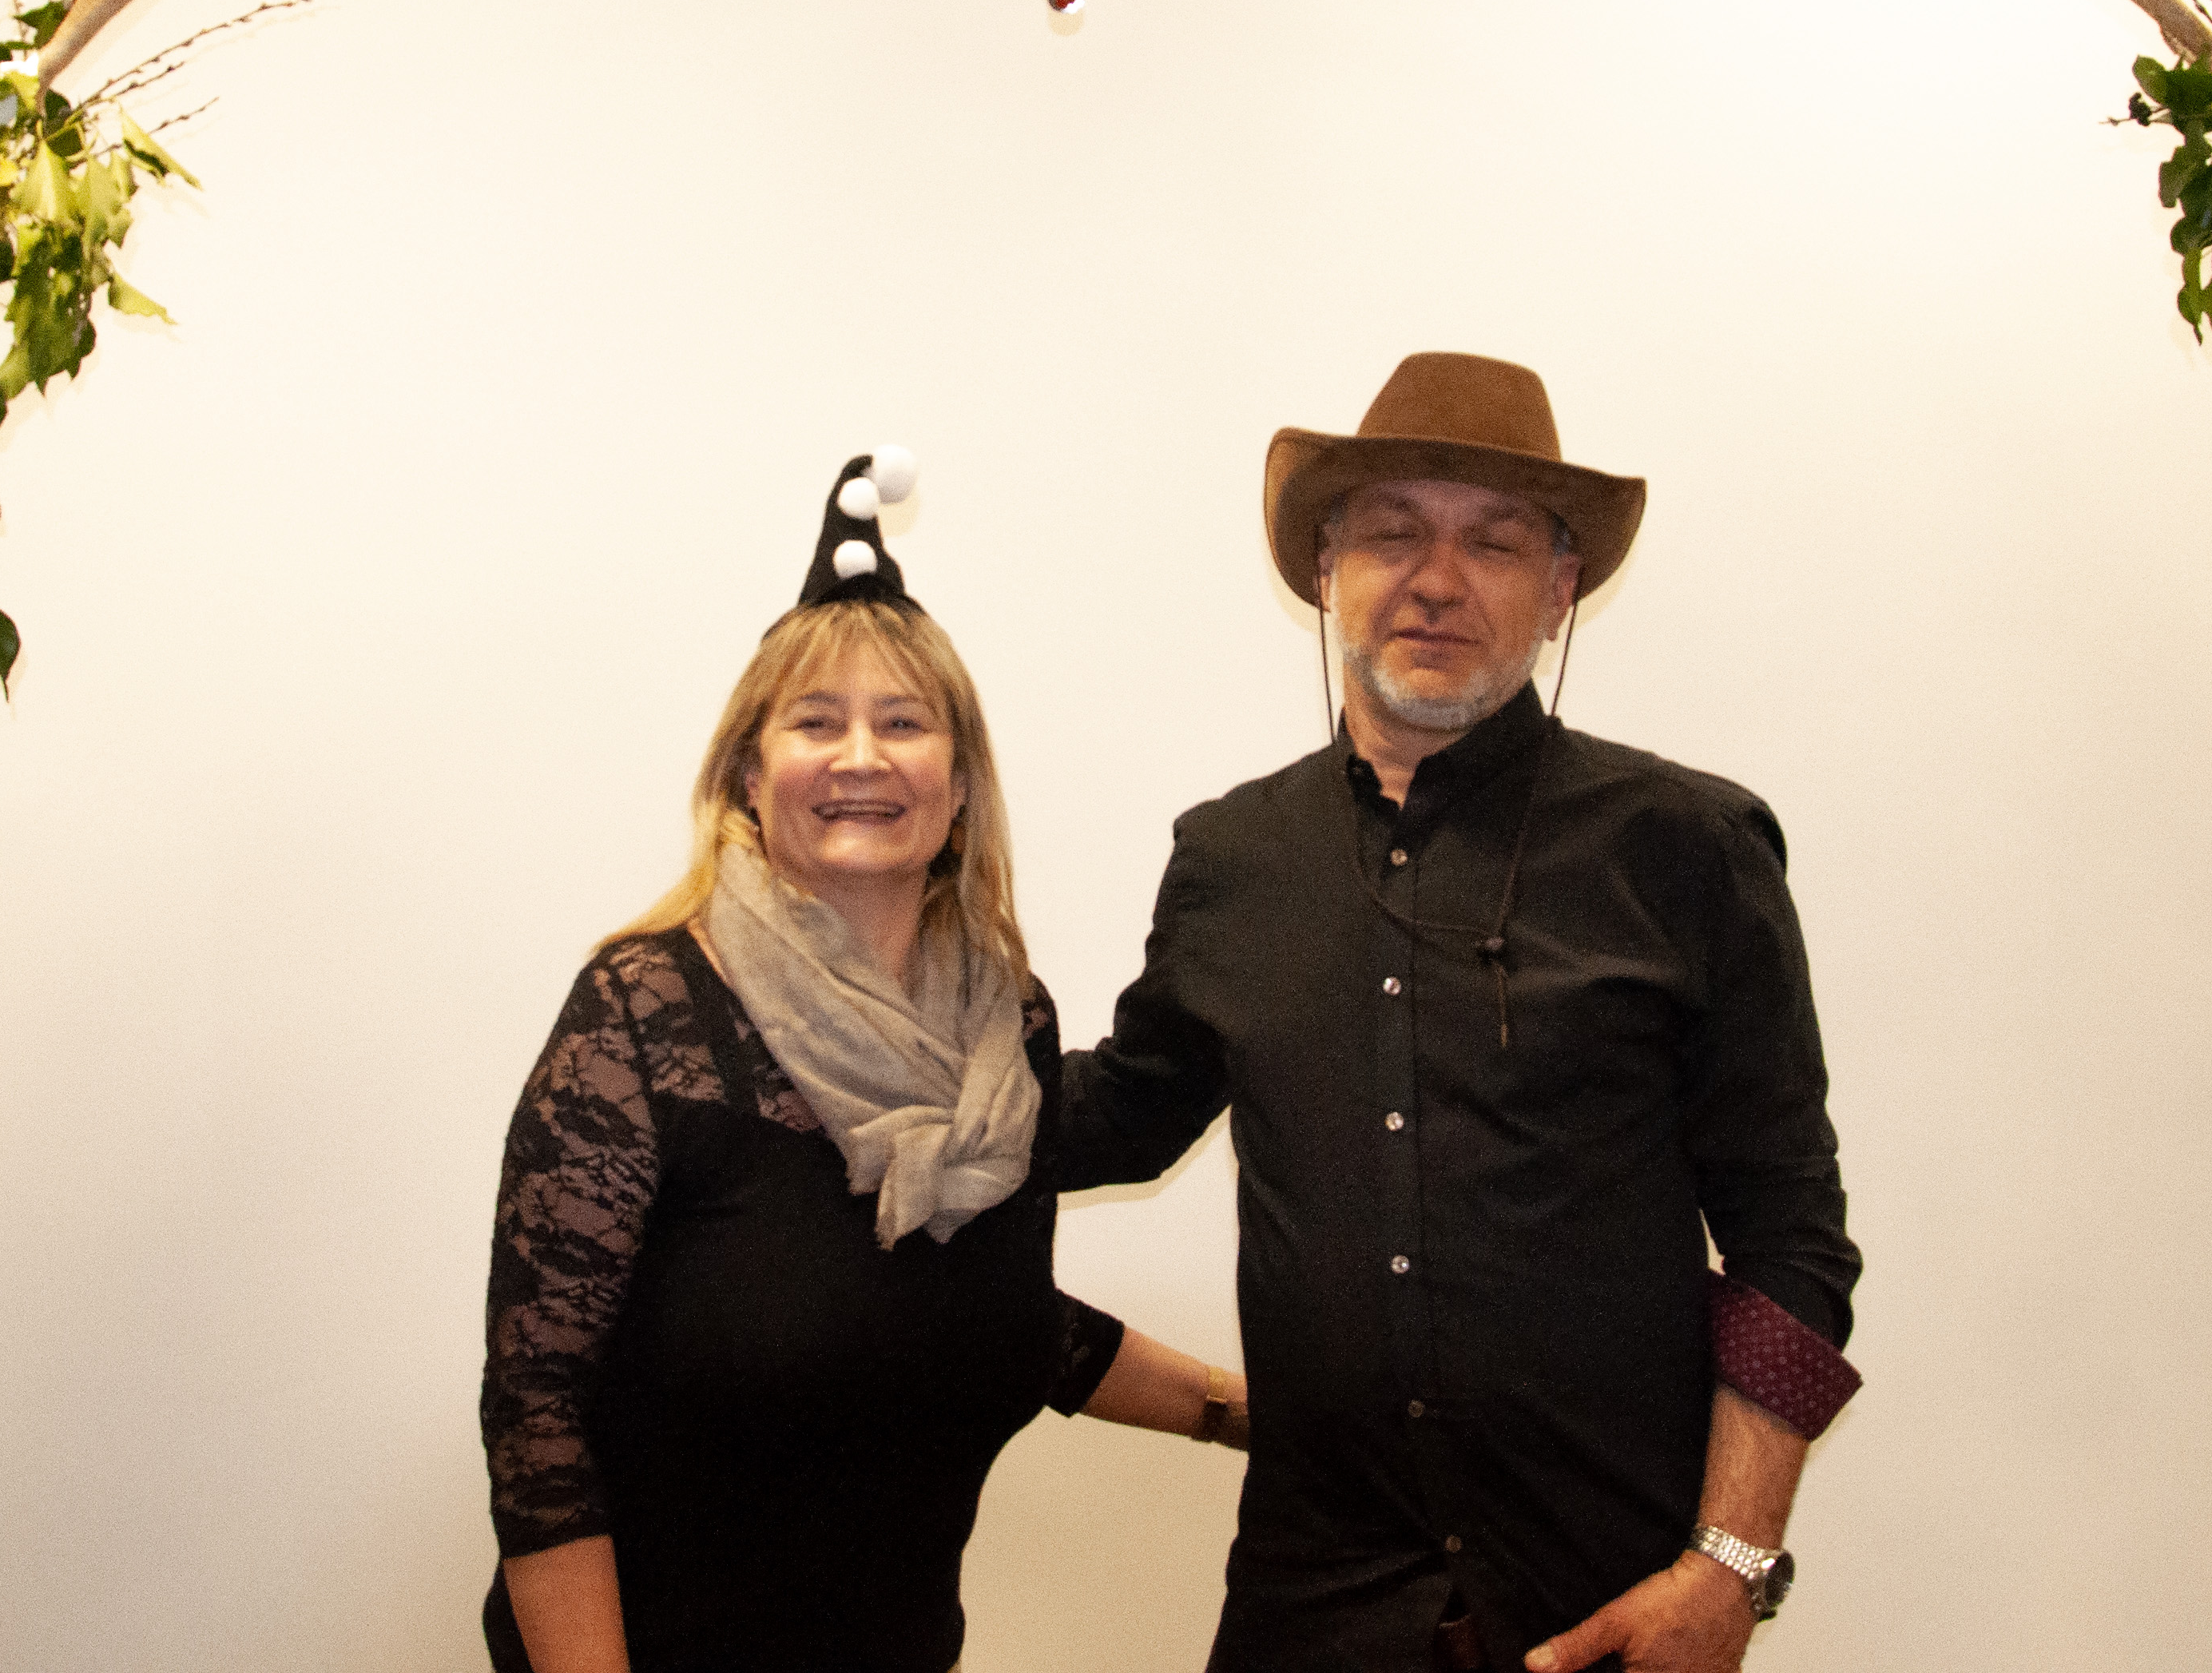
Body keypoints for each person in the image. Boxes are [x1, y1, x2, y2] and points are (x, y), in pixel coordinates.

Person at [1057, 354, 1863, 1673]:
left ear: (1561, 588)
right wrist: (847, 1030)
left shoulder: (1689, 849)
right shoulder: (1230, 858)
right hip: (1308, 1616)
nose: (1437, 580)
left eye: (1493, 543)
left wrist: (1729, 1570)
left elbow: (1791, 1237)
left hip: (1610, 1611)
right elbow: (1112, 1119)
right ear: (1327, 566)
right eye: (1392, 533)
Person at [481, 453, 1244, 1673]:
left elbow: (977, 1314)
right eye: (816, 721)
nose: (861, 757)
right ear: (749, 773)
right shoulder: (644, 1017)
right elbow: (537, 1412)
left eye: (903, 723)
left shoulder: (1003, 1026)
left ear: (960, 783)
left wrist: (1247, 1416)